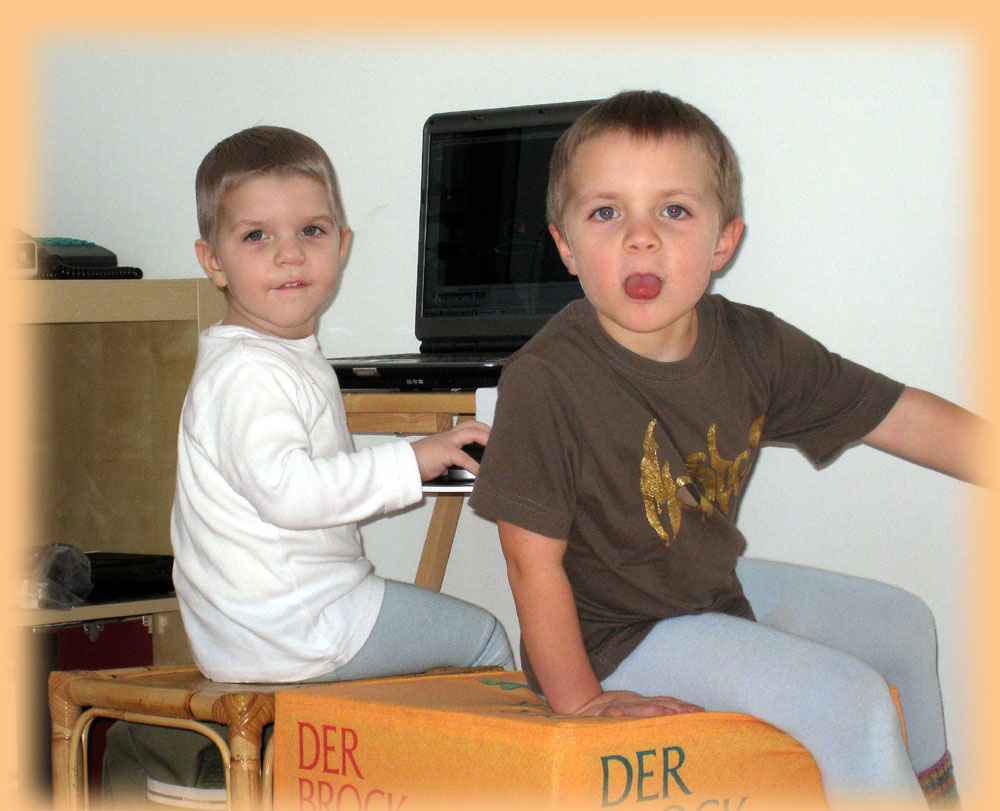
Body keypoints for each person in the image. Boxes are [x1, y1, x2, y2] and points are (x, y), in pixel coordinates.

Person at [468, 90, 980, 807]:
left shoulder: (753, 345)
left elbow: (898, 416)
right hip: (610, 637)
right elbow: (530, 562)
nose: (641, 238)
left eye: (673, 211)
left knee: (904, 625)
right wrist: (580, 699)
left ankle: (934, 795)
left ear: (723, 241)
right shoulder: (547, 379)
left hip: (704, 590)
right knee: (851, 701)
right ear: (566, 245)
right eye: (607, 212)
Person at [103, 125, 512, 808]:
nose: (289, 253)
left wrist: (421, 460)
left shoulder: (266, 355)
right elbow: (291, 494)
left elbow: (307, 487)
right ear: (213, 260)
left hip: (260, 627)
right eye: (256, 236)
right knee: (484, 641)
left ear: (342, 245)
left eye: (311, 231)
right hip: (298, 627)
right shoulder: (249, 375)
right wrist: (415, 458)